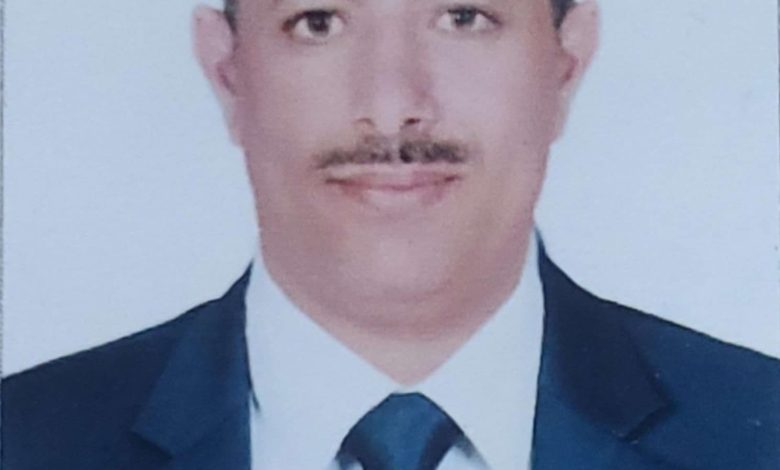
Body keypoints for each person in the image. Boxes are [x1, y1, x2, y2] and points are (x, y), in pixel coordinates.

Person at [3, 0, 779, 468]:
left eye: (463, 18)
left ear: (566, 63)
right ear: (228, 73)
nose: (391, 104)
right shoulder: (26, 442)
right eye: (319, 22)